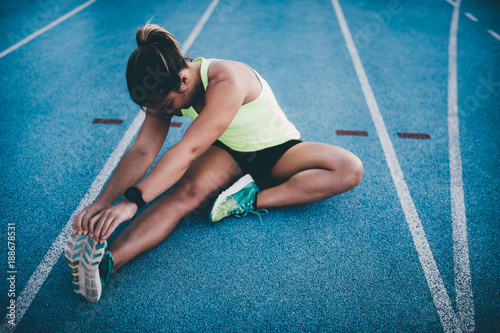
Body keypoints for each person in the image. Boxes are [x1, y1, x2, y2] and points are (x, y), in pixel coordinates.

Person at [64, 23, 363, 303]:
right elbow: (143, 150)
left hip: (276, 149)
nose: (168, 113)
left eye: (168, 106)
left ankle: (250, 198)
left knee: (349, 168)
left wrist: (131, 201)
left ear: (183, 80)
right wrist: (103, 202)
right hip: (229, 150)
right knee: (183, 195)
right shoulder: (166, 88)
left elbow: (189, 150)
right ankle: (108, 262)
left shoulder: (226, 79)